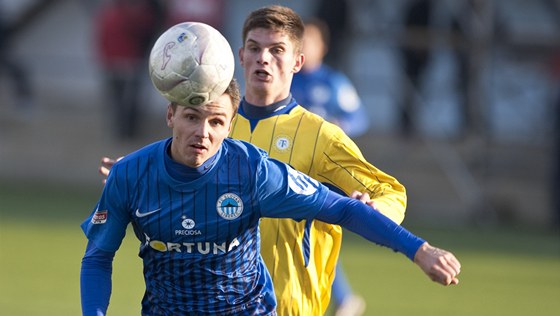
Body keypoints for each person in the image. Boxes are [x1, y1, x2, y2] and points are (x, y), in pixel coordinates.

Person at [94, 5, 460, 316]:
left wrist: (378, 207)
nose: (262, 58)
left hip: (294, 304)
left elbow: (389, 190)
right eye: (254, 48)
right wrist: (138, 171)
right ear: (239, 57)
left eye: (276, 50)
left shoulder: (320, 135)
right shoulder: (218, 123)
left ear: (298, 61)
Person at [94, 0, 162, 139]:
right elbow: (145, 28)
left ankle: (122, 130)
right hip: (128, 63)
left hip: (113, 63)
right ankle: (127, 131)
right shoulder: (131, 16)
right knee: (128, 100)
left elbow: (101, 39)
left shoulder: (109, 15)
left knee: (118, 100)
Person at [291, 18, 370, 138]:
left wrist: (338, 126)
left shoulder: (334, 81)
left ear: (322, 47)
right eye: (299, 42)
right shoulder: (285, 78)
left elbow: (358, 118)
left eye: (308, 43)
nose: (303, 48)